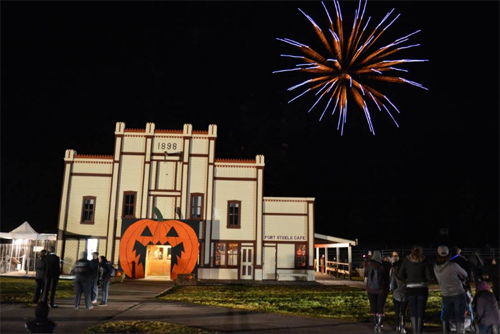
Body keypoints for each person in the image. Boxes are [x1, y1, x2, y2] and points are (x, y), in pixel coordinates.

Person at [434, 245, 468, 334]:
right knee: (459, 316)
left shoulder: (435, 267)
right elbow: (465, 274)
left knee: (446, 316)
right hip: (458, 293)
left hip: (446, 294)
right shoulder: (453, 265)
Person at [399, 245, 433, 333]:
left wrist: (407, 280)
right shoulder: (424, 260)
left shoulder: (406, 260)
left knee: (413, 310)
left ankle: (415, 330)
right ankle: (419, 331)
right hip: (422, 288)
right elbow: (429, 277)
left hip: (411, 288)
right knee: (421, 311)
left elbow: (400, 275)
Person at [364, 250, 391, 333]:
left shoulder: (369, 265)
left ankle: (375, 325)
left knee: (373, 307)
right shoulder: (383, 265)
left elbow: (365, 277)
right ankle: (380, 325)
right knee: (380, 307)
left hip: (371, 289)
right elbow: (387, 277)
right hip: (382, 290)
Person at [390, 254, 408, 333]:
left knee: (397, 312)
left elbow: (392, 285)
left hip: (396, 294)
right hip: (405, 295)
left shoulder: (394, 275)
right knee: (404, 312)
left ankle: (397, 326)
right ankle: (403, 327)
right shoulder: (407, 274)